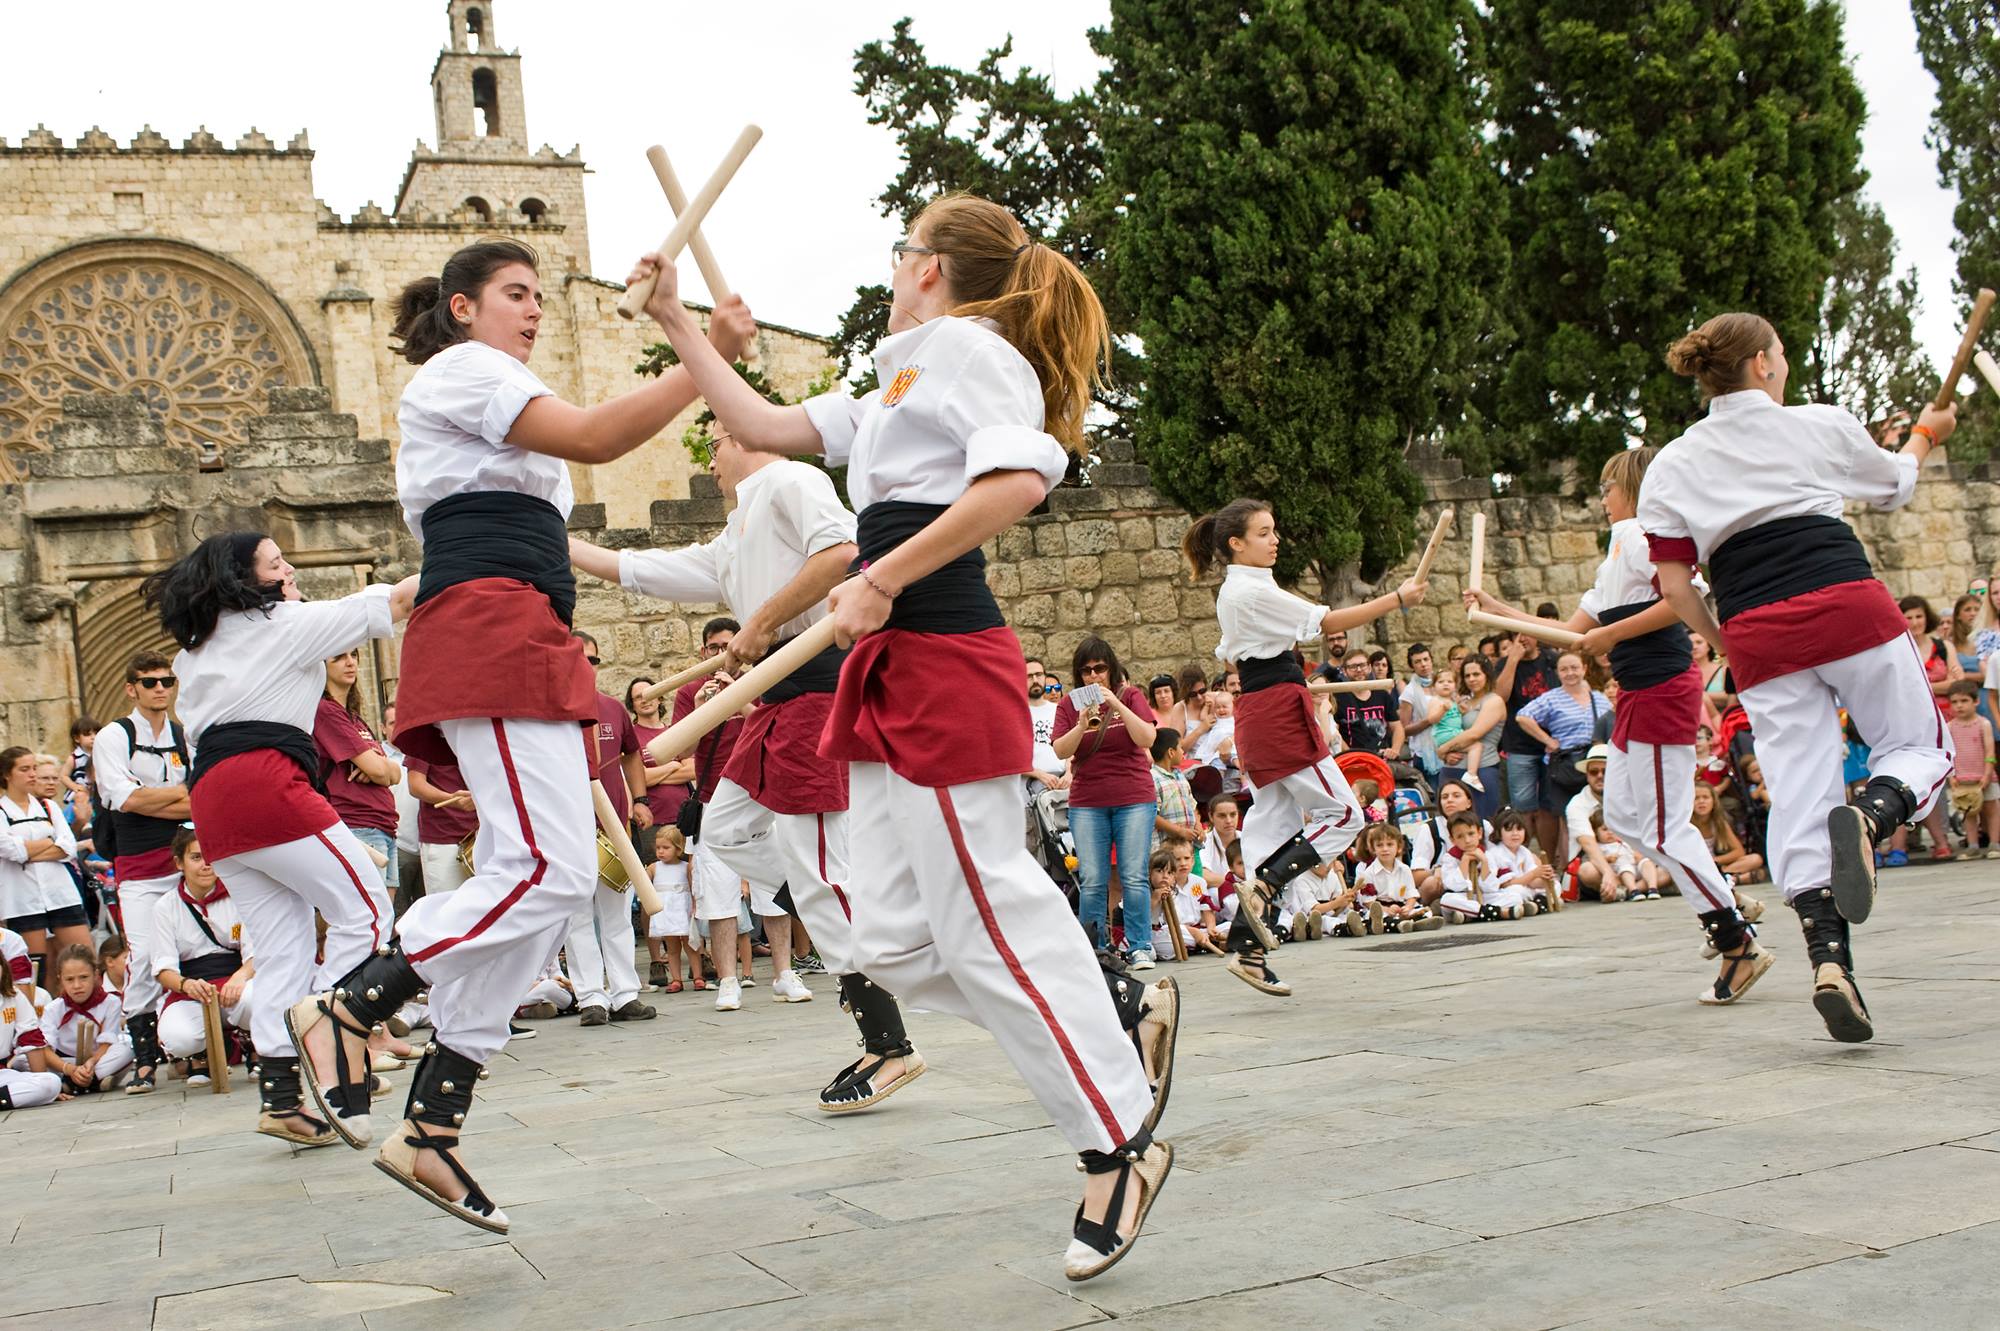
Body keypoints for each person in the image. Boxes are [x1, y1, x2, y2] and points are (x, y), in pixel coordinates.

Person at [631, 193, 1177, 1279]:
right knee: (878, 937)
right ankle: (1113, 994)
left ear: (930, 268)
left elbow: (1021, 477)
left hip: (939, 646)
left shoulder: (973, 350)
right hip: (889, 663)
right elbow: (771, 421)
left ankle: (1117, 1140)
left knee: (982, 914)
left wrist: (882, 572)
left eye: (900, 251)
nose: (891, 266)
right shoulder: (898, 371)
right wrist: (681, 328)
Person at [277, 237, 753, 1233]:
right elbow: (593, 436)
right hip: (489, 621)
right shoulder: (464, 370)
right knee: (543, 871)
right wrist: (701, 350)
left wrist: (683, 332)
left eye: (539, 294)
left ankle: (433, 1125)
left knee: (548, 879)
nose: (534, 309)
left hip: (522, 623)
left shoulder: (496, 399)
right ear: (461, 308)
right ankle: (351, 1006)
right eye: (514, 293)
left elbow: (575, 456)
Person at [578, 431, 931, 1110]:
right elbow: (642, 569)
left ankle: (890, 1041)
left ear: (744, 436)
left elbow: (841, 552)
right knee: (729, 829)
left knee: (825, 877)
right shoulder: (736, 533)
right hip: (775, 707)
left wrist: (763, 620)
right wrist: (558, 546)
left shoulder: (791, 483)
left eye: (714, 441)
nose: (708, 458)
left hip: (816, 696)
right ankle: (840, 923)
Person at [1641, 311, 1957, 1041]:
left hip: (1755, 625)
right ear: (1761, 363)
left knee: (1801, 792)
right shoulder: (1816, 422)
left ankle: (1829, 960)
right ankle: (1875, 815)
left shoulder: (1673, 463)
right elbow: (1895, 485)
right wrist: (1926, 433)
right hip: (1844, 599)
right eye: (1780, 353)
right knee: (1920, 745)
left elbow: (1677, 585)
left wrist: (1726, 640)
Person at [1472, 446, 1773, 1003]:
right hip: (1637, 694)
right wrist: (1495, 605)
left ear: (1631, 489)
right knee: (1628, 819)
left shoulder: (1640, 535)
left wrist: (1614, 635)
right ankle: (1723, 894)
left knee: (1661, 825)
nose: (1603, 497)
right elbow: (1566, 629)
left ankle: (1737, 942)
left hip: (1662, 688)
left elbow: (1686, 599)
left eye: (1609, 486)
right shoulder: (1616, 556)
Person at [144, 532, 413, 1143]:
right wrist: (471, 549)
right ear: (250, 581)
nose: (290, 567)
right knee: (368, 911)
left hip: (214, 803)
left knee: (283, 948)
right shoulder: (288, 624)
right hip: (266, 784)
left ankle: (284, 1094)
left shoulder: (197, 648)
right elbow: (395, 601)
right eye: (276, 562)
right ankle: (330, 1029)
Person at [1182, 496, 1424, 996]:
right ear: (1236, 543)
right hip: (1277, 717)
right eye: (1264, 532)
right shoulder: (1247, 590)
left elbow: (1259, 658)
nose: (1275, 540)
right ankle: (1268, 885)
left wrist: (1289, 678)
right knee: (1344, 816)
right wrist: (1397, 598)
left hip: (1266, 707)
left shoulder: (1247, 587)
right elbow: (1328, 622)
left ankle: (1249, 952)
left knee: (1272, 828)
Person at [91, 650, 192, 1094]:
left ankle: (195, 1050)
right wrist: (175, 797)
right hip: (137, 867)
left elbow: (200, 797)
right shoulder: (115, 735)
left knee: (195, 952)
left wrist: (153, 796)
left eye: (166, 681)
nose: (159, 689)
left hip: (184, 862)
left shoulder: (183, 735)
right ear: (131, 688)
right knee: (145, 957)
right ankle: (146, 1057)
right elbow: (122, 798)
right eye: (149, 682)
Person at [562, 631, 655, 1028]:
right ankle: (590, 998)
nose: (587, 664)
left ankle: (625, 993)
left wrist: (640, 798)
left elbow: (632, 753)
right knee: (578, 915)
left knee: (616, 911)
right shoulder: (553, 711)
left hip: (613, 827)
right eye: (580, 657)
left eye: (594, 659)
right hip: (569, 829)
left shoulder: (613, 708)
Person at [1052, 636, 1161, 964]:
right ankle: (1095, 948)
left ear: (1111, 669)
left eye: (1099, 668)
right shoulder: (1070, 704)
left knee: (1132, 875)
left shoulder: (1130, 695)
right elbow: (1060, 750)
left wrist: (1117, 704)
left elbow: (1147, 738)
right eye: (1085, 671)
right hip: (1088, 800)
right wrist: (1082, 724)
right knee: (1092, 878)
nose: (1093, 676)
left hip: (1133, 796)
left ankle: (1140, 945)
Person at [151, 828, 254, 1086]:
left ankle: (255, 1044)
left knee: (258, 1000)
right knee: (178, 1037)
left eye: (210, 857)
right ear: (179, 863)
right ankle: (202, 1054)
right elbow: (163, 969)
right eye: (196, 858)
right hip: (192, 989)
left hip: (236, 983)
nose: (206, 865)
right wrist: (187, 985)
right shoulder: (165, 906)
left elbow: (257, 954)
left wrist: (239, 978)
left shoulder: (240, 896)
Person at [314, 650, 403, 902]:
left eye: (354, 655)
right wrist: (379, 770)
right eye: (339, 657)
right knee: (368, 918)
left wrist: (382, 770)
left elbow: (394, 772)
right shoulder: (325, 710)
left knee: (383, 921)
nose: (350, 662)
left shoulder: (354, 719)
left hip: (384, 825)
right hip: (357, 824)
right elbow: (379, 770)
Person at [0, 746, 89, 988]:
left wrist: (29, 852)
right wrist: (48, 845)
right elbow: (9, 849)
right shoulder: (1, 811)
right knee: (36, 969)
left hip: (60, 893)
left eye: (34, 768)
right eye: (24, 769)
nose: (32, 774)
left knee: (83, 956)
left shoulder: (49, 807)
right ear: (8, 774)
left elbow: (68, 847)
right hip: (22, 900)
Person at [40, 943, 131, 1093]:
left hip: (97, 1060)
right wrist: (70, 1069)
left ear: (95, 975)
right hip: (65, 1062)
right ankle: (92, 1081)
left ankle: (75, 1083)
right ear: (60, 979)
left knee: (126, 1050)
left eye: (83, 977)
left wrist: (92, 1062)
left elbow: (107, 1042)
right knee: (24, 1060)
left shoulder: (110, 1002)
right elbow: (46, 1050)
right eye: (69, 979)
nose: (77, 985)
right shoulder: (54, 1008)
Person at [626, 677, 693, 866]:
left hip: (683, 820)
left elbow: (692, 770)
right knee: (658, 882)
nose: (645, 700)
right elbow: (638, 778)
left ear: (660, 698)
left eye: (650, 694)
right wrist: (672, 766)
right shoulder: (631, 735)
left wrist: (652, 774)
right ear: (632, 705)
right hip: (651, 823)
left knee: (689, 879)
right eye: (638, 697)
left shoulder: (674, 731)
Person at [1436, 657, 1506, 817]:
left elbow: (1475, 733)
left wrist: (1443, 749)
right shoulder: (1463, 702)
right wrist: (1445, 754)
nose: (1472, 679)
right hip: (1451, 771)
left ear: (1487, 674)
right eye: (1467, 676)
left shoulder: (1494, 701)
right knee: (1449, 827)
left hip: (1482, 771)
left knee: (1482, 824)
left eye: (1476, 674)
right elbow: (1445, 729)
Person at [1943, 680, 1998, 858]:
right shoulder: (1950, 727)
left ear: (1976, 701)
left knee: (1991, 809)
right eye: (1955, 702)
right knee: (1968, 813)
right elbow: (1949, 755)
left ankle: (1994, 843)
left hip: (1984, 776)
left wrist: (1988, 772)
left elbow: (1989, 751)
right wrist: (1952, 776)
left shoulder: (1983, 724)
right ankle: (1972, 844)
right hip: (1962, 778)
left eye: (1964, 701)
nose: (1959, 706)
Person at [0, 958, 63, 1108]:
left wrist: (40, 1083)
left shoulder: (13, 995)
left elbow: (31, 1039)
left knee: (51, 1083)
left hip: (2, 1073)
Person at [1354, 823, 1439, 932]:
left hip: (1401, 906)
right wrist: (1387, 909)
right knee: (1373, 917)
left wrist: (1408, 907)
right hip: (1381, 907)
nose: (1385, 849)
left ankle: (1413, 921)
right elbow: (1368, 901)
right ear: (1373, 848)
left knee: (1425, 911)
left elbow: (1411, 893)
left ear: (1398, 847)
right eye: (1379, 845)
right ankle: (1401, 924)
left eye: (1389, 844)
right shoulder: (1369, 872)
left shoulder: (1404, 869)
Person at [644, 827, 695, 991]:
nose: (660, 851)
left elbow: (693, 886)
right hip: (666, 912)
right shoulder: (654, 867)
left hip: (682, 909)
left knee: (691, 944)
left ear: (678, 848)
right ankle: (676, 979)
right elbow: (642, 882)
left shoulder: (686, 866)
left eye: (666, 848)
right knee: (672, 947)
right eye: (658, 848)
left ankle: (698, 975)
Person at [1690, 783, 1765, 885]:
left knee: (1756, 859)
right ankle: (1733, 879)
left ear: (1714, 801)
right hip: (1695, 866)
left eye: (1706, 797)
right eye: (1696, 798)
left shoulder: (1719, 823)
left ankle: (1723, 877)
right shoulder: (1687, 825)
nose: (1701, 801)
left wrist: (1715, 861)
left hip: (1716, 865)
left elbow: (1739, 852)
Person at [1399, 643, 1442, 787]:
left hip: (1446, 747)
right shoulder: (1409, 692)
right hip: (1424, 753)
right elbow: (1403, 729)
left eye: (1425, 659)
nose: (1423, 664)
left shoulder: (1442, 683)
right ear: (1412, 666)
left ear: (1431, 660)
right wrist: (1428, 721)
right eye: (1418, 662)